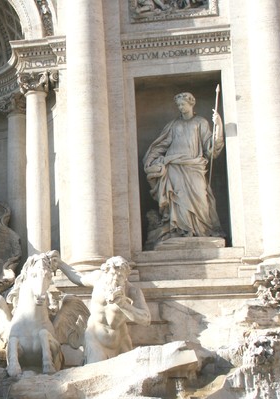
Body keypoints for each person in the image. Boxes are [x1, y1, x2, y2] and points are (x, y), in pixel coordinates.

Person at [142, 92, 225, 247]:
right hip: (174, 165)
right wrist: (150, 160)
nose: (180, 107)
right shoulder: (173, 125)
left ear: (191, 104)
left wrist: (218, 126)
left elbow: (211, 148)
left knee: (201, 198)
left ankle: (202, 230)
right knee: (177, 199)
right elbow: (162, 145)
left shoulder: (201, 122)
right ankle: (178, 230)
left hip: (194, 166)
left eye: (183, 104)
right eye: (178, 105)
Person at [57, 255, 151, 364]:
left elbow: (146, 319)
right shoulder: (98, 278)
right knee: (95, 372)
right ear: (106, 272)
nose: (115, 278)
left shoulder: (132, 291)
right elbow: (78, 278)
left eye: (120, 276)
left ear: (126, 277)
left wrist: (123, 304)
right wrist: (60, 264)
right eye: (112, 274)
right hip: (95, 338)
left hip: (120, 340)